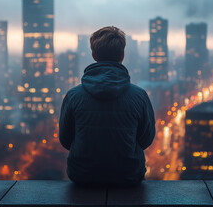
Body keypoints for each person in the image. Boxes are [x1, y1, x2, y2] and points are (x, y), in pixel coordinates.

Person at [59, 26, 155, 186]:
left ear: (94, 55)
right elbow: (146, 139)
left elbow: (65, 139)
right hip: (128, 176)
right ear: (122, 55)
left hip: (83, 176)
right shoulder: (140, 96)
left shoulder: (73, 96)